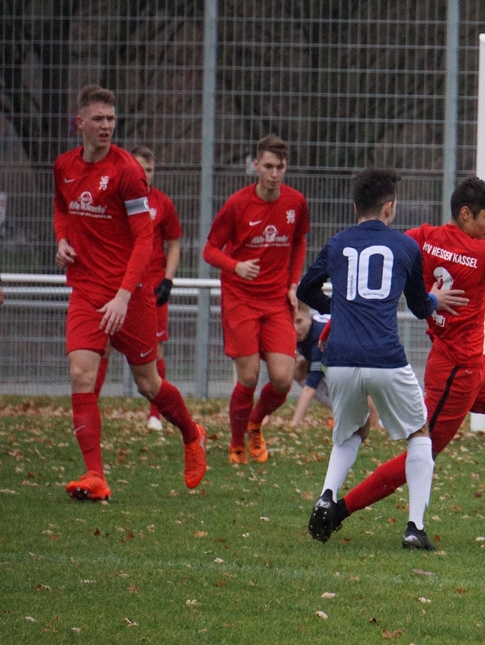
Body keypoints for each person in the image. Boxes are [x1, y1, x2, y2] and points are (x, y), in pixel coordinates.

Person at [308, 177, 485, 544]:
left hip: (476, 365)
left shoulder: (424, 236)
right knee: (422, 450)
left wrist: (341, 318)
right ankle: (339, 510)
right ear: (465, 214)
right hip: (453, 371)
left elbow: (378, 264)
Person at [297, 168, 467, 550]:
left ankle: (327, 494)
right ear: (390, 207)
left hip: (338, 358)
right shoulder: (406, 246)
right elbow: (422, 306)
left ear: (355, 206)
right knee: (418, 434)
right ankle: (415, 527)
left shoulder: (338, 242)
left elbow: (305, 289)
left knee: (352, 432)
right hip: (385, 357)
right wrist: (437, 298)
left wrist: (337, 309)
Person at [53, 84, 206, 500]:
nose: (106, 126)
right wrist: (61, 241)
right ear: (79, 121)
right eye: (98, 119)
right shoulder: (64, 166)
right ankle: (96, 476)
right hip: (85, 290)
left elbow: (144, 240)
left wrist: (123, 295)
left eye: (111, 119)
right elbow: (63, 210)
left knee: (148, 384)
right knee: (80, 374)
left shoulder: (127, 171)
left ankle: (192, 435)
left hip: (131, 294)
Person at [203, 133, 310, 464]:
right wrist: (236, 266)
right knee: (248, 377)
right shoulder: (237, 204)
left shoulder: (295, 202)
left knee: (282, 379)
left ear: (285, 167)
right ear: (255, 166)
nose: (274, 174)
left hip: (277, 299)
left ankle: (254, 424)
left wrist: (293, 284)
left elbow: (299, 243)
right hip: (240, 298)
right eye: (268, 166)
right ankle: (236, 444)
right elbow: (209, 250)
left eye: (279, 167)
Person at [92, 146, 182, 432]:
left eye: (151, 169)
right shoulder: (116, 198)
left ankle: (155, 414)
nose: (145, 173)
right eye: (141, 167)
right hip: (115, 284)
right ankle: (90, 408)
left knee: (155, 353)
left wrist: (168, 279)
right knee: (101, 346)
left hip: (150, 289)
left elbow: (175, 241)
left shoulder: (163, 203)